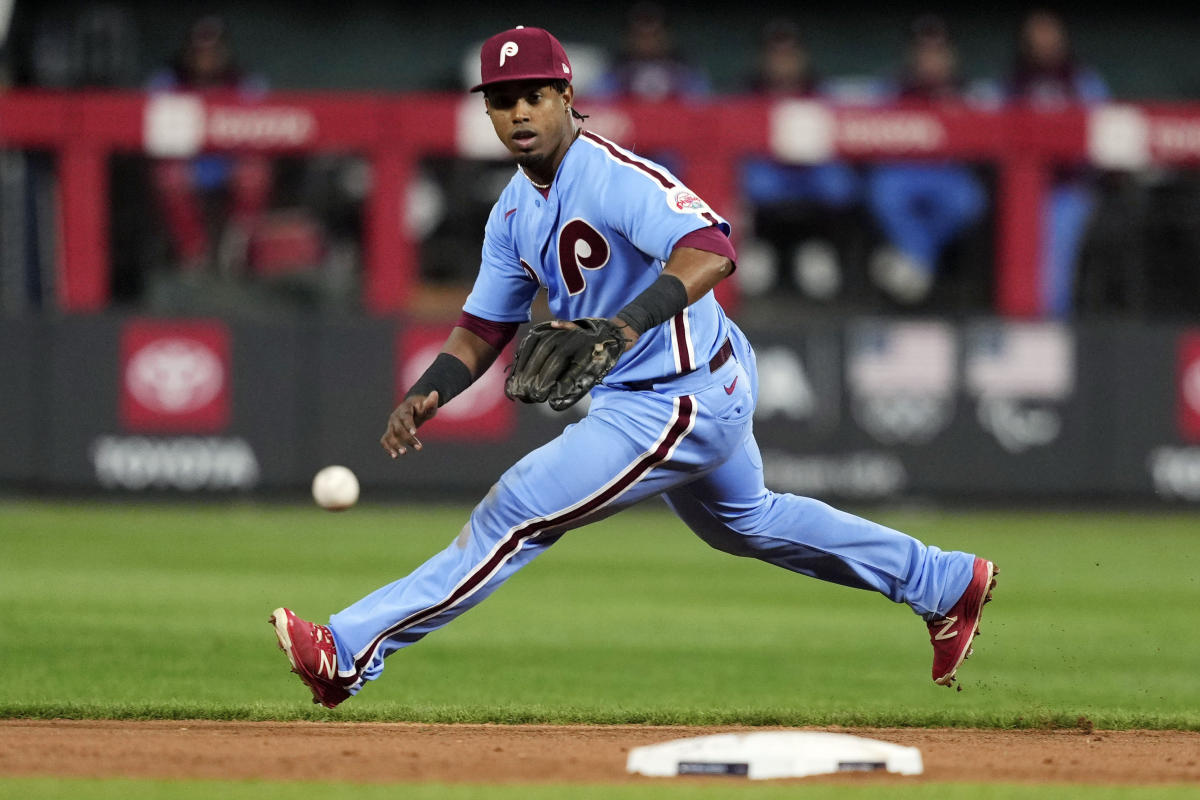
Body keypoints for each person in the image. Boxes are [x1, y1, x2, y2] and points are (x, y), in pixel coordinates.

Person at [269, 26, 997, 708]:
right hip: (675, 385)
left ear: (565, 95)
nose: (518, 112)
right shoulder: (515, 208)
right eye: (501, 100)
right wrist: (430, 390)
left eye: (533, 94)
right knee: (747, 522)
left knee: (515, 512)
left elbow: (711, 245)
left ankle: (349, 650)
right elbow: (483, 326)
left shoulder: (614, 176)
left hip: (678, 396)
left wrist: (620, 327)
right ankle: (941, 581)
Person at [864, 15, 987, 305]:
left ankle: (914, 266)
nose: (929, 60)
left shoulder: (968, 93)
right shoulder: (892, 89)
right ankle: (922, 267)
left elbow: (986, 143)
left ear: (951, 55)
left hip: (947, 174)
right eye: (923, 52)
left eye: (937, 52)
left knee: (968, 201)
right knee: (883, 191)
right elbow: (863, 132)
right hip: (903, 171)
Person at [739, 19, 863, 302]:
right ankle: (754, 248)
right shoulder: (747, 91)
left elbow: (842, 136)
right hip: (767, 168)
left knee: (839, 183)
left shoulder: (821, 89)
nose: (783, 63)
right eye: (775, 55)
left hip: (813, 169)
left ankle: (819, 247)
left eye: (790, 54)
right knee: (748, 182)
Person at [147, 16, 271, 276]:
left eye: (213, 50)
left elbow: (268, 129)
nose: (206, 57)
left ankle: (237, 251)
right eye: (199, 50)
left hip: (229, 165)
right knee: (170, 176)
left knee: (254, 172)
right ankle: (194, 255)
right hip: (189, 165)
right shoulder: (168, 84)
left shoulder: (245, 85)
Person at [1005, 9, 1108, 317]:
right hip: (1021, 189)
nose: (1044, 40)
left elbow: (1106, 133)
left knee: (1055, 255)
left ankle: (1051, 326)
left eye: (1049, 31)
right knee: (1018, 253)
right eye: (1037, 33)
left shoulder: (1082, 81)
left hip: (1070, 188)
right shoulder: (1013, 83)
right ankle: (1020, 325)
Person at [591, 3, 709, 102]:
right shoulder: (615, 70)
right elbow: (598, 104)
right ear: (629, 38)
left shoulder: (684, 70)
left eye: (654, 35)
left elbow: (703, 105)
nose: (647, 42)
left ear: (666, 36)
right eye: (640, 35)